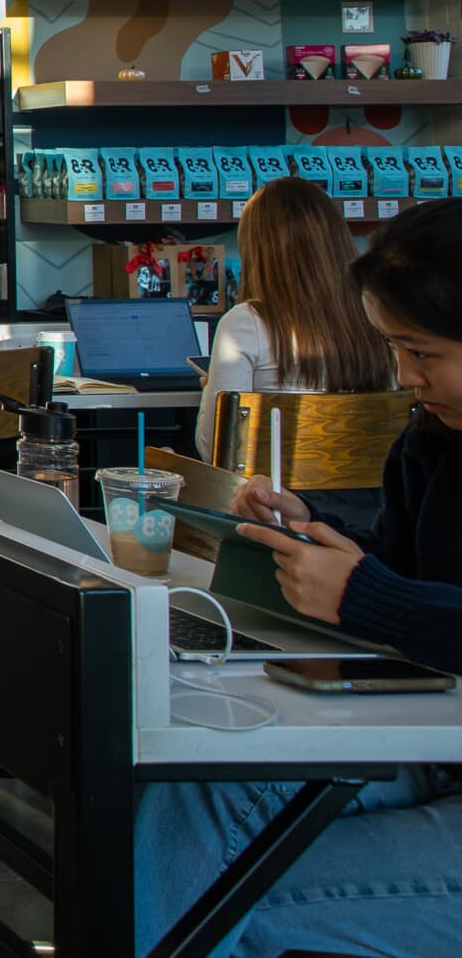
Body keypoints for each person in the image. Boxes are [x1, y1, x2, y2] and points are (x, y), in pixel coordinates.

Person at [134, 198, 462, 957]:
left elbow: (396, 595)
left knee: (217, 893)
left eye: (423, 353)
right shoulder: (432, 436)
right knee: (189, 785)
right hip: (427, 743)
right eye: (396, 349)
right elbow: (406, 562)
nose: (405, 376)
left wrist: (366, 595)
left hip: (431, 750)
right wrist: (315, 533)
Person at [192, 175, 391, 471]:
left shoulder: (246, 322)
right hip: (371, 509)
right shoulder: (378, 312)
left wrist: (211, 392)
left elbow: (215, 449)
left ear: (256, 248)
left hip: (271, 509)